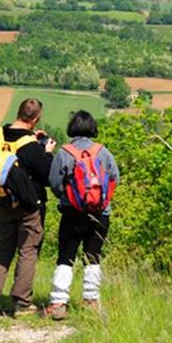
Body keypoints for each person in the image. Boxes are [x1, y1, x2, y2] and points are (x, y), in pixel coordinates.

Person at [0, 98, 55, 318]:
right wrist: (46, 151)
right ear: (36, 119)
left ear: (19, 113)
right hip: (29, 206)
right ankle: (22, 302)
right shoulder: (31, 146)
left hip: (3, 201)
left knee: (2, 248)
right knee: (28, 250)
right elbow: (47, 175)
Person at [44, 110, 120, 320]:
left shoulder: (64, 153)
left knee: (65, 257)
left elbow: (55, 184)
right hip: (100, 214)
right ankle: (91, 302)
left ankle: (58, 303)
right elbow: (115, 179)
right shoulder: (103, 152)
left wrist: (69, 198)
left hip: (71, 213)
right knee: (93, 257)